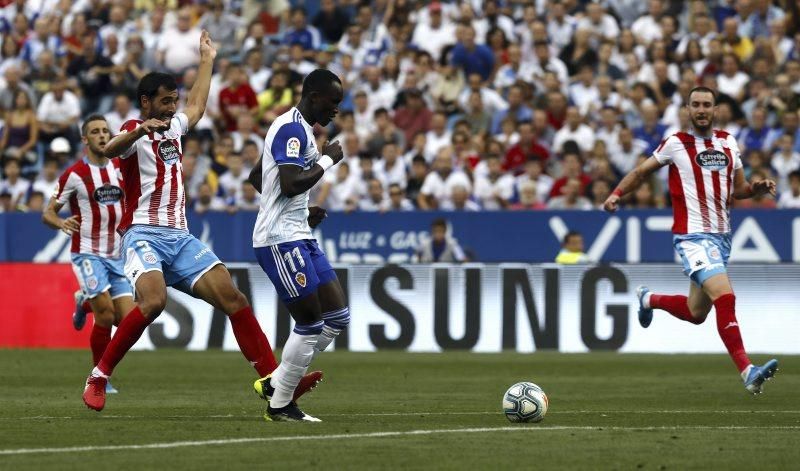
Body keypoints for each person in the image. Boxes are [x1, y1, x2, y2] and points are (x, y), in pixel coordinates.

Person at [81, 32, 321, 412]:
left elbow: (197, 105)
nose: (172, 107)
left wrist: (207, 59)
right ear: (146, 103)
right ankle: (99, 375)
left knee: (233, 298)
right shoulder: (132, 128)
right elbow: (107, 150)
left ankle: (276, 382)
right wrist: (141, 129)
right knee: (153, 302)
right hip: (142, 233)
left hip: (180, 236)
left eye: (172, 100)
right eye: (164, 101)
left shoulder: (175, 127)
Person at [603, 86, 779, 394]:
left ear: (715, 110)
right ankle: (747, 371)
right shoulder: (675, 144)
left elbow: (739, 189)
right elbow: (641, 172)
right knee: (726, 297)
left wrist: (758, 187)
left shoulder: (728, 141)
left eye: (706, 105)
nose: (701, 109)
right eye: (695, 104)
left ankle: (649, 299)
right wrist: (617, 194)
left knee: (696, 313)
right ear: (687, 109)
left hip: (722, 238)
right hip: (692, 237)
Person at [247, 69, 348, 422]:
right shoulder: (292, 130)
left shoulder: (298, 129)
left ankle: (277, 382)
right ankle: (281, 405)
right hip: (280, 240)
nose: (336, 110)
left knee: (337, 316)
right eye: (333, 102)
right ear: (314, 96)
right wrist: (327, 160)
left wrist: (299, 211)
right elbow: (289, 184)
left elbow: (258, 177)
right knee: (310, 323)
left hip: (298, 233)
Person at [42, 115, 135, 395]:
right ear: (85, 139)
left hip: (117, 254)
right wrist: (61, 223)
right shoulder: (74, 175)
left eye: (106, 131)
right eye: (95, 132)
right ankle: (99, 379)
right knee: (105, 315)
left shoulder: (120, 167)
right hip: (87, 252)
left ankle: (83, 303)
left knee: (129, 322)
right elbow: (48, 212)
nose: (102, 135)